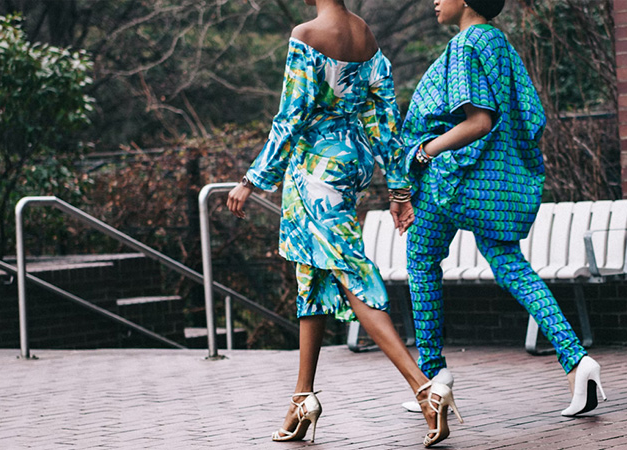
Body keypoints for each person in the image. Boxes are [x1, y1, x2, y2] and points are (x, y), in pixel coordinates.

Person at [227, 0, 462, 446]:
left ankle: (425, 388)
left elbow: (291, 115)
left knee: (352, 274)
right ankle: (302, 399)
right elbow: (385, 118)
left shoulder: (307, 35)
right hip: (349, 166)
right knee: (312, 276)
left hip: (314, 171)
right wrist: (398, 188)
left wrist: (251, 179)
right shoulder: (365, 36)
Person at [400, 0, 607, 417]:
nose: (434, 1)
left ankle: (433, 376)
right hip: (491, 184)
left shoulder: (466, 44)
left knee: (421, 261)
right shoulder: (499, 43)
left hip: (455, 180)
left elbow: (479, 121)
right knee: (511, 266)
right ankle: (576, 361)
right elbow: (525, 117)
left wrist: (424, 152)